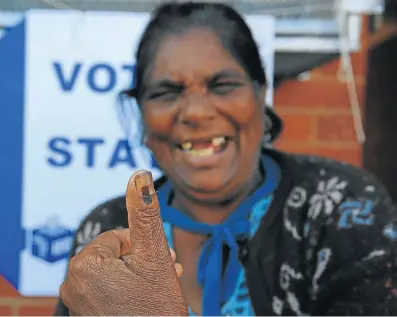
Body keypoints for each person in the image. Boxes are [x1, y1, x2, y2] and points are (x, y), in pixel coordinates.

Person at [55, 1, 397, 316]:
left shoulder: (340, 209)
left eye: (222, 85)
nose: (196, 112)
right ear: (142, 115)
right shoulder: (108, 231)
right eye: (166, 92)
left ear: (261, 95)